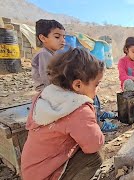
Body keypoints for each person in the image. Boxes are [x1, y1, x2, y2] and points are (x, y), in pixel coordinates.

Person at [21, 48, 105, 180]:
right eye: (96, 84)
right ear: (77, 85)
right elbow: (94, 144)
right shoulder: (79, 110)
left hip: (32, 171)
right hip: (47, 175)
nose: (97, 89)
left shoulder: (44, 95)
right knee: (94, 158)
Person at [32, 19, 65, 91]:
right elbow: (47, 78)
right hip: (46, 90)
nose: (63, 40)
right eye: (57, 37)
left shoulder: (53, 54)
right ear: (43, 38)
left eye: (64, 37)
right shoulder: (44, 54)